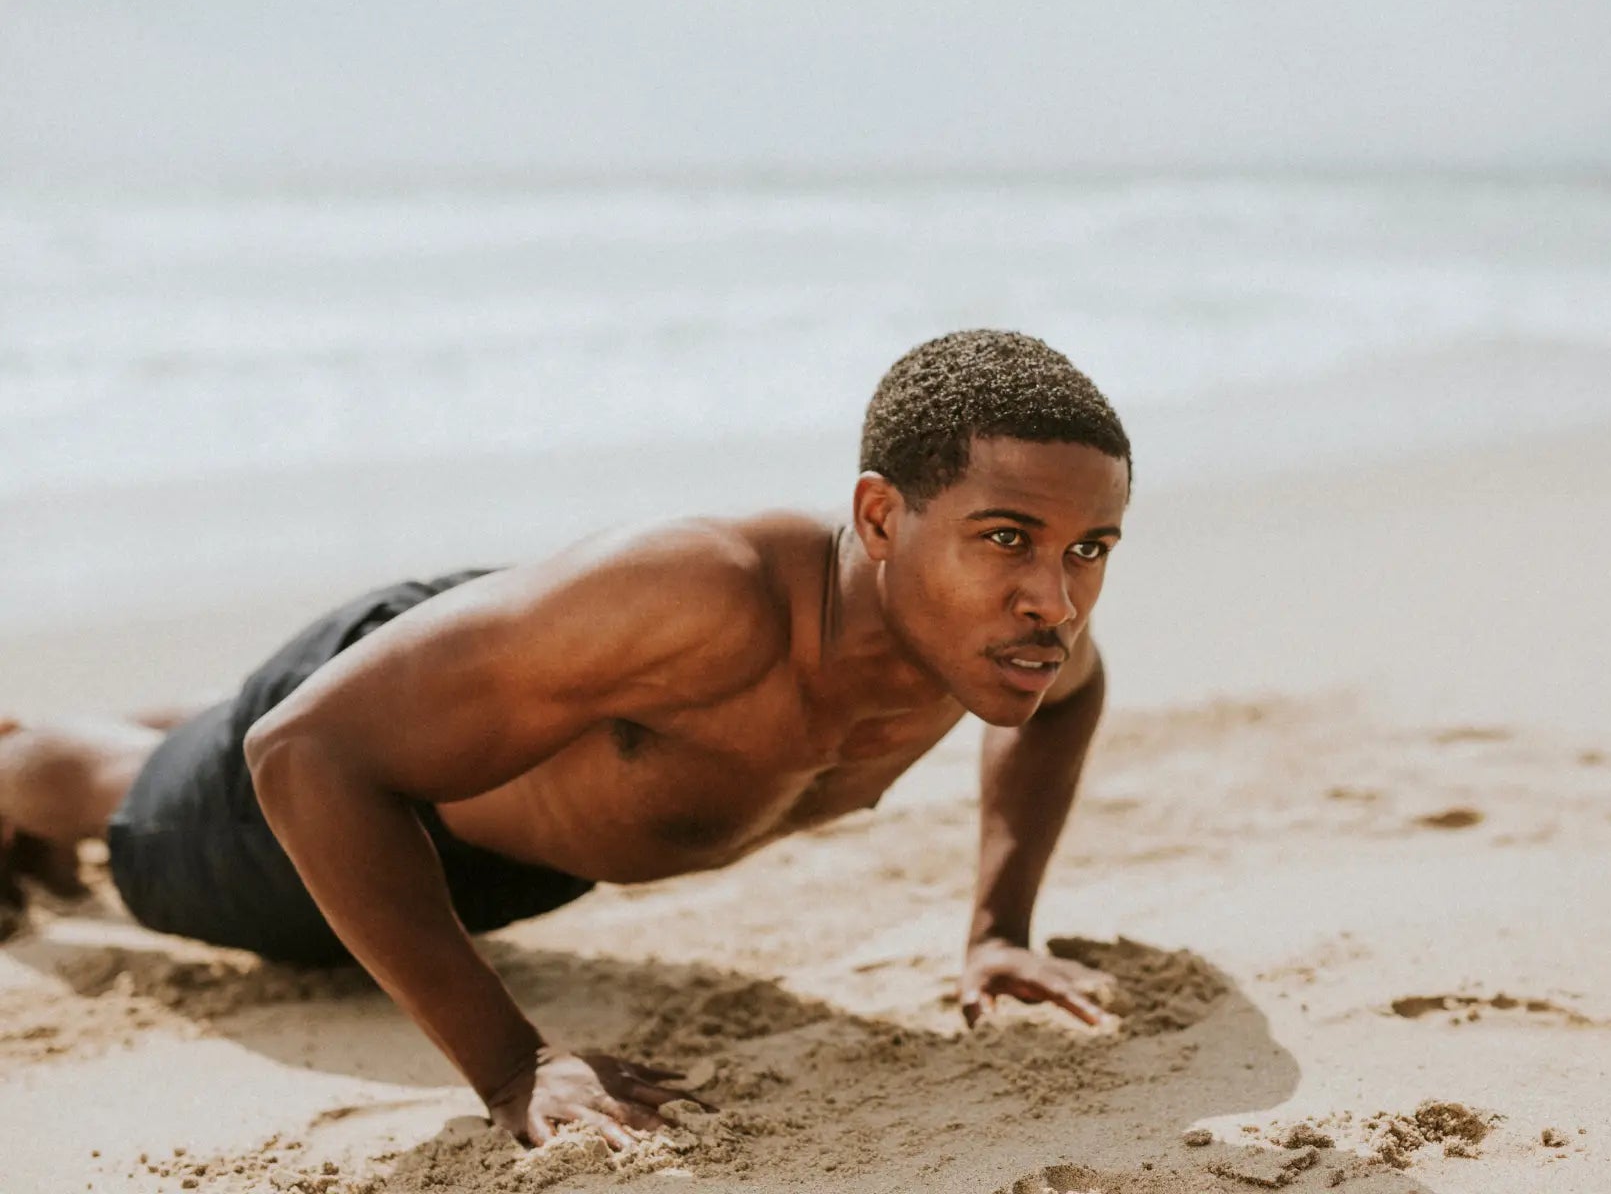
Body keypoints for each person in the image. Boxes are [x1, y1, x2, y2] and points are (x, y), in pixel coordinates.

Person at [0, 329, 1132, 1148]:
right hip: (369, 795)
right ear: (883, 517)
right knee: (132, 806)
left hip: (504, 770)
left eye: (1091, 547)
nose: (1057, 596)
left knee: (236, 724)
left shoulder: (990, 638)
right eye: (1009, 537)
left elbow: (1074, 694)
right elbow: (302, 756)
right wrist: (515, 1065)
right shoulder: (720, 601)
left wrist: (1000, 927)